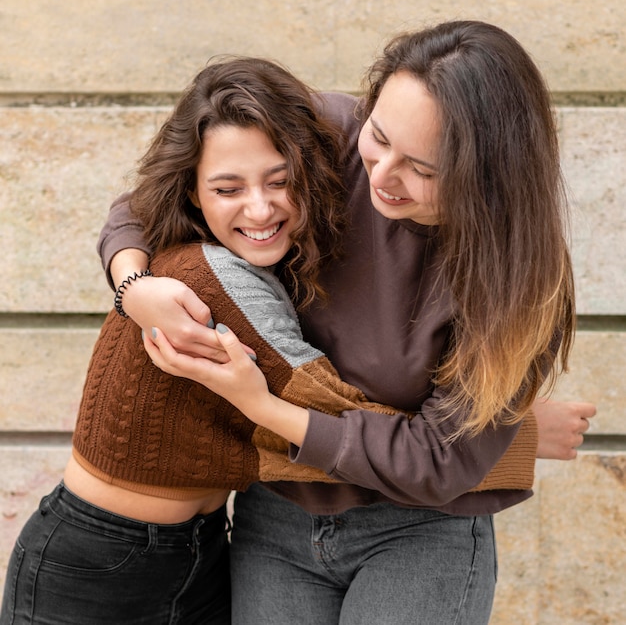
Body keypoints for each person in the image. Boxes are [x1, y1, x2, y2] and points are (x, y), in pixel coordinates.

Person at [99, 21, 595, 624]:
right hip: (276, 518)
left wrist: (266, 408)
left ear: (492, 175)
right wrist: (134, 284)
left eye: (424, 169)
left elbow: (439, 462)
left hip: (419, 533)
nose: (382, 175)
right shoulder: (328, 132)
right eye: (379, 136)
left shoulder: (520, 280)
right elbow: (158, 195)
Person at [2, 56, 495, 625]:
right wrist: (132, 287)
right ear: (189, 190)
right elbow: (326, 415)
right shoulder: (205, 283)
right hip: (99, 565)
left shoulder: (251, 244)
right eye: (227, 188)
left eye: (280, 182)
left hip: (203, 551)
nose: (259, 208)